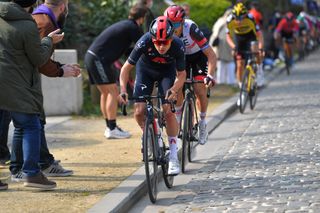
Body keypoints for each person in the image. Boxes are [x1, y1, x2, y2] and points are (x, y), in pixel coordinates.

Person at [9, 0, 79, 181]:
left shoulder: (34, 18)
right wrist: (61, 70)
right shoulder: (44, 23)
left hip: (16, 78)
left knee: (26, 123)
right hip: (21, 80)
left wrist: (61, 67)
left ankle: (34, 165)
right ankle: (31, 169)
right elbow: (39, 58)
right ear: (64, 6)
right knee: (31, 122)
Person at [0, 0, 64, 189]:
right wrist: (48, 41)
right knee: (30, 124)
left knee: (19, 125)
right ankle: (31, 173)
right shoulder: (28, 25)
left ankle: (18, 169)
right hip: (15, 81)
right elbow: (38, 58)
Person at [119, 16, 186, 175]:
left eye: (165, 42)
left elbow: (181, 74)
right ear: (152, 39)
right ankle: (148, 136)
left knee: (167, 109)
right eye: (157, 42)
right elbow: (125, 69)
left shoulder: (178, 45)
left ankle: (174, 155)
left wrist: (175, 89)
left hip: (166, 73)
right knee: (139, 111)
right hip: (145, 72)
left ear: (171, 39)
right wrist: (122, 89)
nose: (161, 46)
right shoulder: (144, 41)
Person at [85, 4, 147, 139]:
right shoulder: (133, 27)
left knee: (106, 93)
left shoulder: (125, 26)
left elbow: (128, 51)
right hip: (98, 59)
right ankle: (112, 128)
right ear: (142, 18)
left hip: (91, 57)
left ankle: (109, 126)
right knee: (112, 91)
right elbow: (144, 46)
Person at [164, 5, 217, 145]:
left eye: (175, 24)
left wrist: (210, 76)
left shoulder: (191, 29)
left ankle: (203, 122)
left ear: (182, 22)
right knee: (178, 87)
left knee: (200, 89)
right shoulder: (165, 30)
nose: (173, 28)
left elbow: (211, 55)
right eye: (170, 23)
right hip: (181, 59)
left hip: (197, 56)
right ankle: (180, 117)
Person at [226, 2, 264, 105]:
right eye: (236, 18)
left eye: (241, 18)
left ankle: (259, 70)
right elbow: (228, 36)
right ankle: (242, 89)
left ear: (245, 15)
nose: (238, 21)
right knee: (239, 64)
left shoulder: (250, 18)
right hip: (240, 39)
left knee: (257, 52)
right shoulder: (229, 20)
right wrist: (233, 47)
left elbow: (259, 35)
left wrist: (260, 48)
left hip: (251, 37)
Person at [210, 9, 236, 85]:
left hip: (230, 49)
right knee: (221, 67)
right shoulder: (221, 22)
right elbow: (215, 34)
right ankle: (221, 84)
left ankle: (230, 85)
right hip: (220, 49)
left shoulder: (234, 24)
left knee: (230, 66)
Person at [249, 1, 265, 87]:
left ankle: (257, 72)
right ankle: (259, 72)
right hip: (255, 35)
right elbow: (261, 25)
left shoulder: (249, 14)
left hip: (253, 35)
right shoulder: (258, 14)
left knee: (255, 54)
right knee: (258, 54)